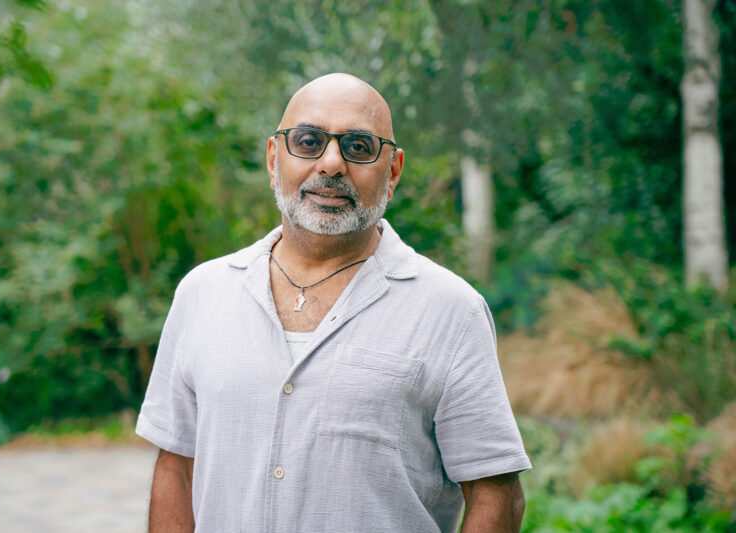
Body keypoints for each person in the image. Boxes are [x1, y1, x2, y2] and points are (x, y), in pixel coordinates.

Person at [136, 73, 531, 532]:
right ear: (272, 158)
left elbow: (496, 496)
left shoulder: (450, 310)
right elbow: (176, 466)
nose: (331, 163)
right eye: (308, 141)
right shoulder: (202, 293)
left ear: (394, 171)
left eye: (359, 147)